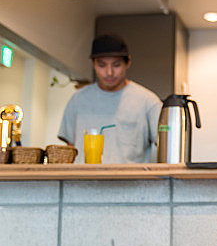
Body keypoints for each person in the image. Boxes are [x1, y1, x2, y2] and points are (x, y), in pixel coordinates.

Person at [58, 33, 162, 163]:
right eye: (102, 65)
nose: (109, 72)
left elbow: (164, 146)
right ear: (93, 64)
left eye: (116, 65)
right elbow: (70, 147)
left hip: (130, 183)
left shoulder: (148, 101)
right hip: (83, 182)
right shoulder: (77, 99)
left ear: (128, 62)